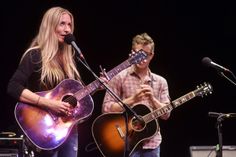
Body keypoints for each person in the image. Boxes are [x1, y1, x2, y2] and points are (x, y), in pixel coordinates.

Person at [7, 6, 89, 157]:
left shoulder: (69, 62)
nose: (67, 29)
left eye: (69, 25)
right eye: (62, 24)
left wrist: (99, 85)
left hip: (67, 129)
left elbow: (77, 95)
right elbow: (13, 87)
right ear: (50, 26)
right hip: (42, 128)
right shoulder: (35, 55)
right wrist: (49, 104)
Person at [102, 32, 171, 157]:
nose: (141, 58)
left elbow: (166, 115)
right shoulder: (119, 77)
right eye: (138, 53)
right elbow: (106, 109)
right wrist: (132, 99)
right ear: (132, 53)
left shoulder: (161, 82)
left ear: (152, 56)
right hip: (126, 141)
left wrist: (153, 98)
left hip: (152, 144)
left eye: (145, 54)